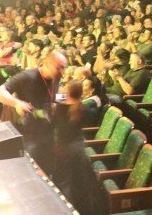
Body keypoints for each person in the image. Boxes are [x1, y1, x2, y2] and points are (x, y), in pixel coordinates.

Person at [0, 50, 68, 173]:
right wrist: (16, 103)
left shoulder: (55, 78)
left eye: (64, 68)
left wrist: (65, 98)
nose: (62, 73)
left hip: (46, 134)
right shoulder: (27, 76)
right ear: (46, 64)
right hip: (27, 135)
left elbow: (53, 97)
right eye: (59, 68)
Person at [52, 79, 107, 215]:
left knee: (63, 180)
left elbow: (56, 98)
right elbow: (68, 97)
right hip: (78, 147)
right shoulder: (84, 108)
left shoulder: (59, 107)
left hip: (63, 147)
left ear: (67, 91)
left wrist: (60, 92)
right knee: (77, 179)